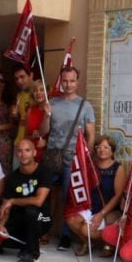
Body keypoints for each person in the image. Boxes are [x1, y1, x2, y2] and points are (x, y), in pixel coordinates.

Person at [40, 66, 95, 251]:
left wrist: (86, 160)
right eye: (65, 81)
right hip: (52, 156)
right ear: (60, 81)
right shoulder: (53, 103)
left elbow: (90, 136)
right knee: (46, 196)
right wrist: (46, 115)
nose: (68, 84)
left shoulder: (85, 105)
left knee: (67, 198)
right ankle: (44, 230)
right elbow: (43, 131)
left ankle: (65, 235)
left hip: (73, 159)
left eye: (72, 81)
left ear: (77, 82)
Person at [64, 135, 125, 257]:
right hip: (90, 206)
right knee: (70, 219)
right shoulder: (90, 166)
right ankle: (88, 243)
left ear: (112, 150)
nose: (102, 150)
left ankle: (108, 243)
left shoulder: (118, 168)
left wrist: (101, 214)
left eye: (106, 147)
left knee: (85, 229)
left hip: (109, 209)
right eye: (99, 147)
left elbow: (118, 196)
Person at [0, 139, 52, 262]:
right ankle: (26, 243)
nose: (23, 154)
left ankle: (33, 254)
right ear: (17, 154)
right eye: (20, 151)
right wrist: (1, 226)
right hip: (21, 221)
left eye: (27, 150)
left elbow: (39, 201)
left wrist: (13, 200)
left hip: (42, 218)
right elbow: (6, 206)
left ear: (34, 152)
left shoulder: (44, 171)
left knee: (31, 210)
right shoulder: (12, 177)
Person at [12, 66, 35, 169]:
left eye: (22, 77)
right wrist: (15, 116)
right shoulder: (19, 96)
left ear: (31, 75)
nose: (19, 81)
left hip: (34, 143)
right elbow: (20, 121)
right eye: (16, 79)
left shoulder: (42, 93)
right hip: (20, 142)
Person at [24, 81, 49, 164]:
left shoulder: (52, 110)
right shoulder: (30, 110)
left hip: (48, 156)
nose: (38, 93)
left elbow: (59, 135)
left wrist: (47, 142)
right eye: (35, 90)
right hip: (32, 156)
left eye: (42, 90)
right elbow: (26, 135)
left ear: (47, 92)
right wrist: (33, 137)